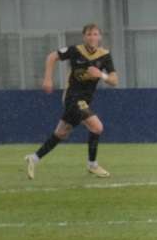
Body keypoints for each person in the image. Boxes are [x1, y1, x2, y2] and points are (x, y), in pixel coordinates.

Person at [24, 23, 117, 179]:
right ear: (84, 37)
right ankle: (92, 165)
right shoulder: (75, 51)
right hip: (73, 97)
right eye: (89, 34)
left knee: (61, 132)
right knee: (97, 127)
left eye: (95, 34)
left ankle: (34, 158)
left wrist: (102, 75)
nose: (92, 37)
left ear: (100, 37)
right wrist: (48, 79)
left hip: (85, 100)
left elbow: (114, 80)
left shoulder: (104, 55)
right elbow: (52, 56)